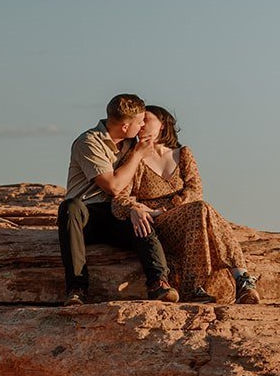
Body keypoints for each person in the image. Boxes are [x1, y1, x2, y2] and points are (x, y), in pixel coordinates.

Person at [111, 105, 261, 304]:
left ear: (162, 125)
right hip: (158, 224)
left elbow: (195, 190)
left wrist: (166, 207)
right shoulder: (134, 159)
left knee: (201, 209)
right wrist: (134, 209)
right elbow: (119, 197)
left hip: (187, 217)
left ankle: (237, 282)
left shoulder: (182, 154)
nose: (141, 124)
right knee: (201, 209)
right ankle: (237, 280)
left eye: (146, 119)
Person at [58, 94, 180, 305]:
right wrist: (138, 154)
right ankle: (77, 288)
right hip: (87, 215)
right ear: (125, 126)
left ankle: (159, 283)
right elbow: (113, 186)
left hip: (118, 211)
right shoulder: (89, 142)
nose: (143, 125)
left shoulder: (133, 142)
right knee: (70, 207)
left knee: (139, 217)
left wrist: (138, 207)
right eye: (140, 121)